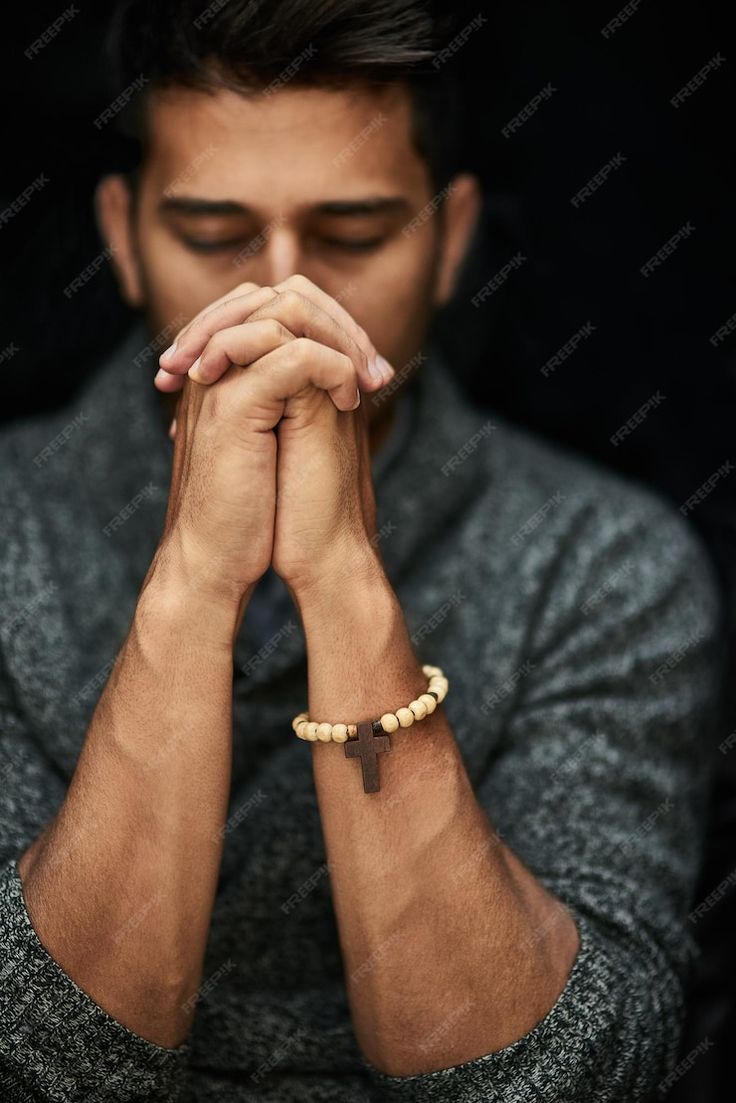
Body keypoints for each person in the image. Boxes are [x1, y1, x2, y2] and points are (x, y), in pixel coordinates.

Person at [0, 1, 725, 1099]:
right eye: (211, 234)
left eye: (351, 236)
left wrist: (342, 578)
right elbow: (46, 1058)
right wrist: (196, 579)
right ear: (121, 233)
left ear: (449, 236)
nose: (282, 295)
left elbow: (553, 1075)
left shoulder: (605, 558)